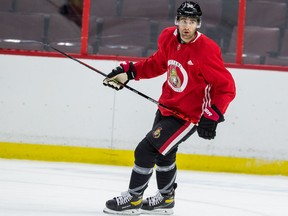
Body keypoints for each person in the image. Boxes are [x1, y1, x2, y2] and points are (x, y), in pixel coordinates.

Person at [102, 1, 236, 215]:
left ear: (198, 24)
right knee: (165, 154)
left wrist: (212, 114)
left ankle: (134, 199)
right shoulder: (167, 37)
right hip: (166, 107)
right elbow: (157, 63)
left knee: (145, 150)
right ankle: (165, 199)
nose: (187, 26)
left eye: (192, 22)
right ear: (177, 21)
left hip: (187, 116)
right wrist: (129, 72)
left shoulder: (207, 50)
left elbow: (226, 87)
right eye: (183, 20)